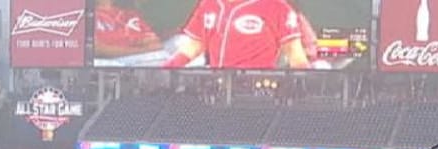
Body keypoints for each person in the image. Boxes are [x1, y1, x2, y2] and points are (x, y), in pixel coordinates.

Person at [162, 0, 311, 70]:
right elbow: (195, 45)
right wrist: (166, 69)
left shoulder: (276, 6)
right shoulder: (209, 4)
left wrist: (306, 84)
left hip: (257, 88)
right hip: (217, 85)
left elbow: (294, 53)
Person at [93, 0, 162, 60]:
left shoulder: (129, 14)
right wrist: (142, 50)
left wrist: (140, 42)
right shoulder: (89, 15)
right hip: (112, 60)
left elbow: (154, 42)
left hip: (145, 56)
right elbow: (97, 49)